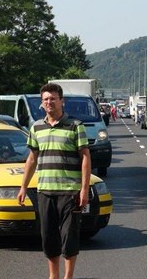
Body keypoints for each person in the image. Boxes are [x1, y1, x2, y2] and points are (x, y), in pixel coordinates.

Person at [17, 83, 91, 279]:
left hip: (70, 191)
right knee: (49, 236)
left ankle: (68, 276)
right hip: (45, 191)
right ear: (42, 103)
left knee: (69, 236)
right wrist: (23, 186)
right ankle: (53, 276)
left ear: (61, 101)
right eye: (46, 99)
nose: (49, 102)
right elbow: (32, 158)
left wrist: (84, 189)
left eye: (53, 98)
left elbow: (85, 157)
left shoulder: (76, 126)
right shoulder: (36, 127)